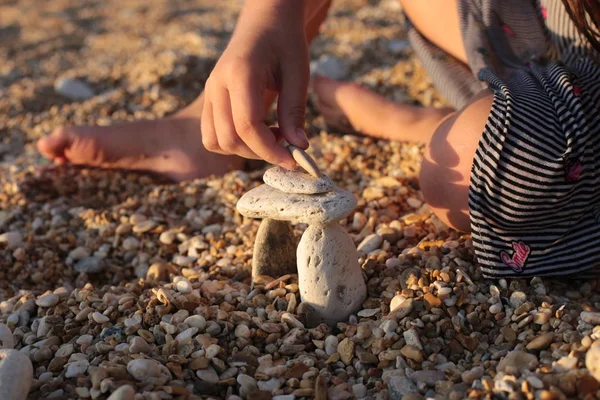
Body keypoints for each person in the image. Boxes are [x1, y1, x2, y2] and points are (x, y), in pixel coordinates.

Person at [37, 0, 600, 278]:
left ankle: (415, 124)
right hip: (528, 21)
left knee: (466, 180)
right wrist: (267, 18)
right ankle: (207, 120)